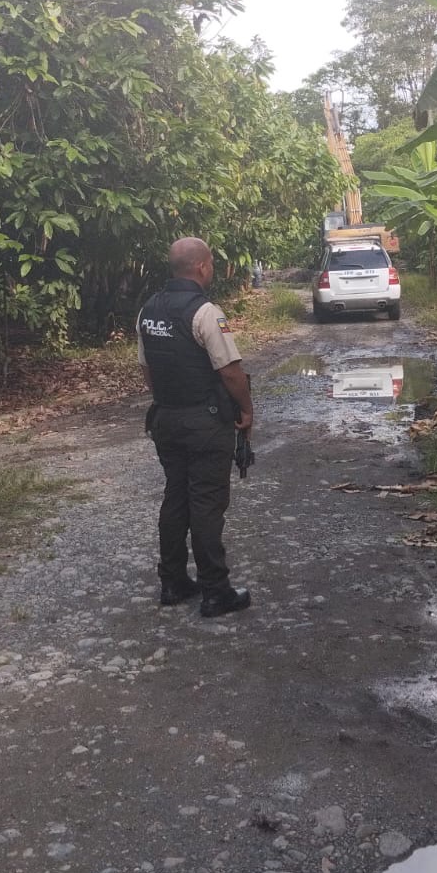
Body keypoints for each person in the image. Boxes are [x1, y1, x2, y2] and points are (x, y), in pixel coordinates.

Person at [137, 237, 254, 619]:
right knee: (206, 502)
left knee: (176, 497)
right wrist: (246, 410)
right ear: (202, 266)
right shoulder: (205, 313)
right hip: (204, 421)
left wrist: (168, 400)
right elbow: (230, 372)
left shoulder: (148, 310)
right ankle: (215, 591)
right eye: (212, 263)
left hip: (166, 419)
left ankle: (172, 582)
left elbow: (147, 368)